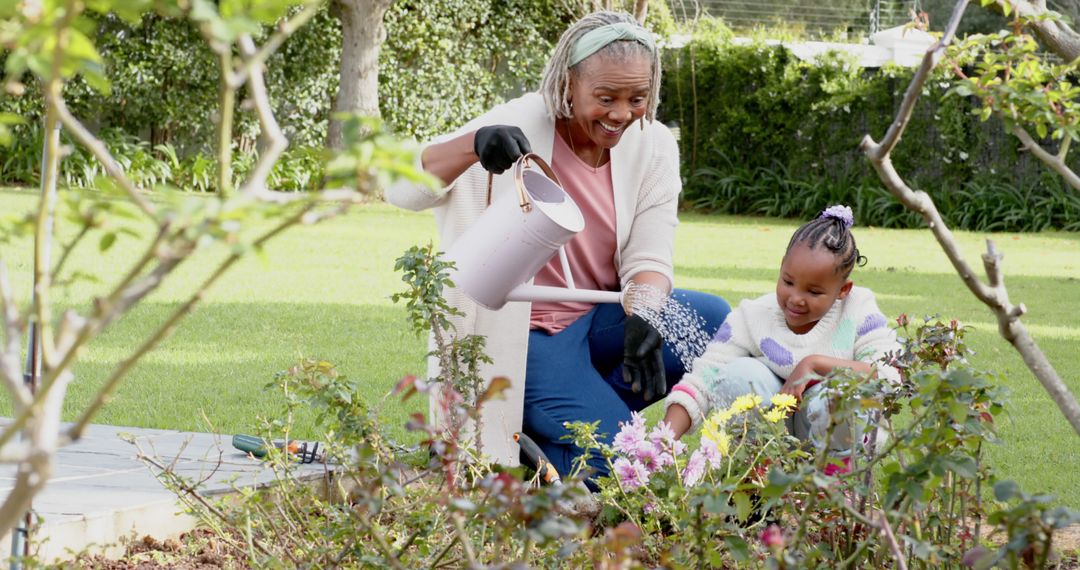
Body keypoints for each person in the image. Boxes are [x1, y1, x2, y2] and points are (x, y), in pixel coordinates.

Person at [386, 11, 730, 479]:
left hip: (597, 318)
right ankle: (549, 437)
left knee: (712, 323)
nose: (621, 114)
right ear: (569, 84)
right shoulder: (522, 120)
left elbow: (651, 249)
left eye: (637, 98)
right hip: (524, 334)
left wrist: (646, 310)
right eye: (605, 97)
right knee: (627, 463)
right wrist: (473, 145)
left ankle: (548, 427)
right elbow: (399, 186)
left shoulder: (653, 146)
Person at [663, 205, 900, 463]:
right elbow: (703, 379)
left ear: (843, 290)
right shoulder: (753, 316)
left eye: (814, 292)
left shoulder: (858, 310)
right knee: (737, 375)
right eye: (788, 282)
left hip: (834, 442)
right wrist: (662, 442)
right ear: (781, 268)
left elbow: (888, 375)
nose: (795, 299)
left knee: (840, 396)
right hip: (777, 437)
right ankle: (761, 477)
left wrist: (813, 365)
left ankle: (831, 490)